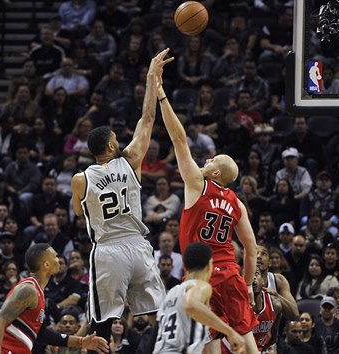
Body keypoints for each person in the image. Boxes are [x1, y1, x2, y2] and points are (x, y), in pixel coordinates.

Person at [69, 48, 172, 349]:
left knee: (102, 320)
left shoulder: (80, 179)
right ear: (113, 144)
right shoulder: (132, 160)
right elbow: (148, 117)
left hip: (108, 250)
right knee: (157, 314)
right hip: (139, 246)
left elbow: (77, 213)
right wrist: (153, 77)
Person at [156, 58, 258, 354]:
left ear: (216, 174)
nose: (206, 160)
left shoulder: (197, 185)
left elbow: (178, 139)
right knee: (247, 338)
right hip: (230, 270)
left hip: (202, 272)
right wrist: (249, 284)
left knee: (209, 340)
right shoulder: (236, 202)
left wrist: (162, 94)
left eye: (212, 160)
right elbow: (250, 248)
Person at [0, 243, 109, 354]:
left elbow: (43, 335)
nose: (58, 260)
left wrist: (81, 342)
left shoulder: (38, 293)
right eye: (55, 256)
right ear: (46, 264)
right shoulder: (28, 290)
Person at [152, 242, 244, 353]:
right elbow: (190, 304)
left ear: (185, 266)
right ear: (210, 265)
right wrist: (231, 332)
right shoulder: (201, 286)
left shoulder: (171, 293)